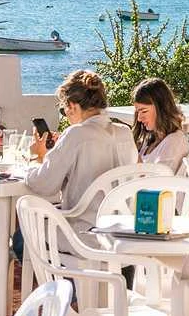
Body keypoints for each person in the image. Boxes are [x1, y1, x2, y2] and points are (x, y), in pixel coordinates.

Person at [25, 69, 135, 212]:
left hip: (82, 226)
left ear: (72, 106)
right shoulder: (124, 132)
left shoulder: (76, 135)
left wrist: (37, 157)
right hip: (120, 227)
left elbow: (43, 185)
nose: (66, 115)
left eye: (64, 110)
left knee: (20, 233)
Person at [132, 76, 189, 166]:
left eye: (144, 111)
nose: (139, 119)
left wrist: (133, 155)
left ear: (161, 109)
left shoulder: (174, 141)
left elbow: (160, 179)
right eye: (138, 112)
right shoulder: (150, 139)